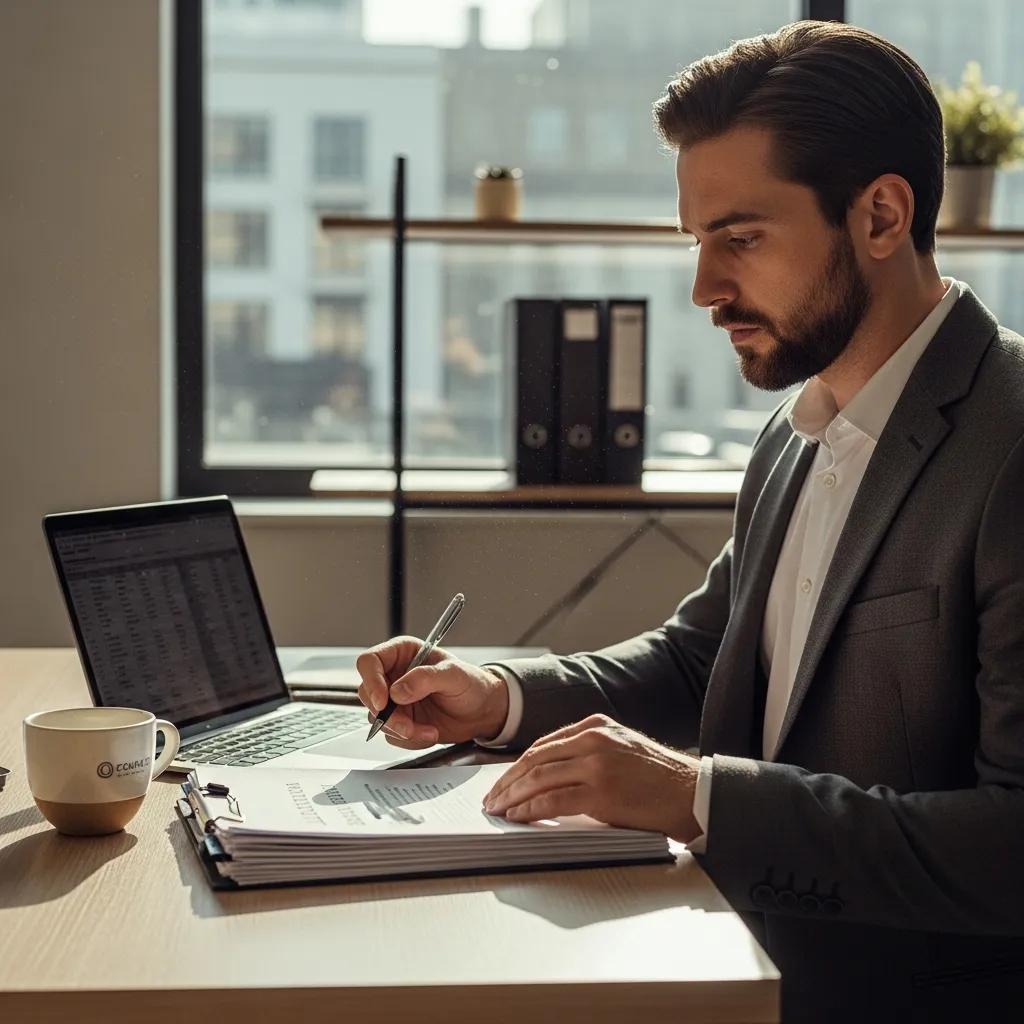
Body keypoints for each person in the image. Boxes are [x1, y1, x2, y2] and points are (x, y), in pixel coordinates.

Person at [357, 20, 1024, 1022]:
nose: (705, 288)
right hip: (738, 960)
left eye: (741, 238)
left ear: (881, 215)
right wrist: (494, 696)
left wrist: (698, 798)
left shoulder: (1011, 443)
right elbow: (697, 662)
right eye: (698, 240)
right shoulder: (794, 435)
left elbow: (1012, 845)